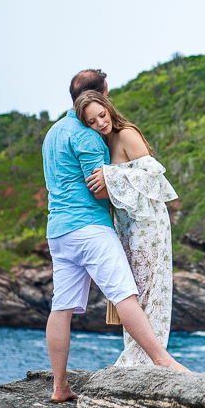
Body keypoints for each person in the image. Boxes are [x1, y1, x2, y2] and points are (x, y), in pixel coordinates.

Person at [41, 69, 189, 402]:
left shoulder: (52, 134)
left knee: (61, 307)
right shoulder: (87, 136)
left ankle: (60, 387)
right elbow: (100, 191)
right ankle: (164, 361)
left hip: (58, 233)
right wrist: (115, 180)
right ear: (102, 93)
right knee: (125, 295)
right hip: (89, 229)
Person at [75, 90, 177, 367]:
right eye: (92, 121)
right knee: (134, 291)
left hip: (149, 224)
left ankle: (147, 359)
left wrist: (111, 174)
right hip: (127, 227)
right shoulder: (101, 144)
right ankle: (143, 357)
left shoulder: (126, 134)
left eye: (102, 115)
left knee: (148, 290)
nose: (100, 123)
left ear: (109, 109)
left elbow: (154, 178)